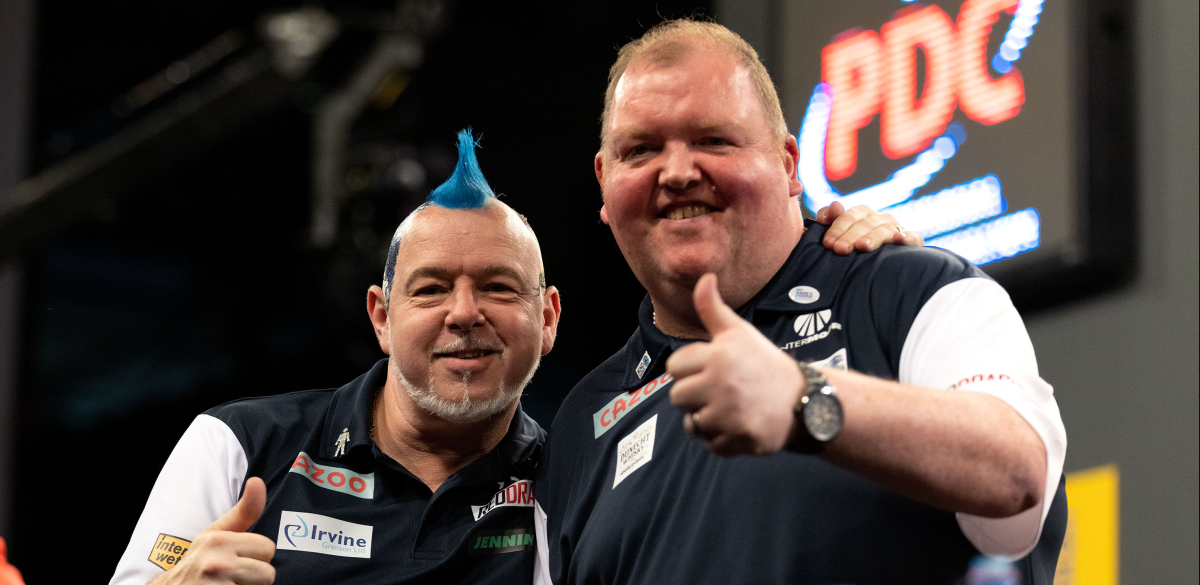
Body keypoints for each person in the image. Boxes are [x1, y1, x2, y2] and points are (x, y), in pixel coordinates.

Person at [109, 129, 907, 585]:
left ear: (547, 318)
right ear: (381, 317)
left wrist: (841, 258)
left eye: (496, 286)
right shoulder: (238, 448)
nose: (465, 314)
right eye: (430, 290)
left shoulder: (576, 474)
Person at [534, 19, 1067, 585]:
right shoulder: (581, 423)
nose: (679, 172)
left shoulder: (911, 293)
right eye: (640, 150)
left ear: (788, 164)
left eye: (714, 140)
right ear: (603, 184)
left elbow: (1017, 470)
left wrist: (804, 400)